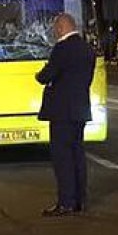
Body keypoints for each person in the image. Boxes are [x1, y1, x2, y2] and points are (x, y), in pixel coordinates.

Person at [35, 12, 95, 216]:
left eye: (55, 28)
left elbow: (46, 76)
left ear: (61, 28)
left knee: (62, 158)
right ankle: (80, 200)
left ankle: (66, 202)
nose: (54, 32)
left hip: (61, 113)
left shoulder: (62, 49)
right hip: (80, 110)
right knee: (78, 155)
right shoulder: (87, 49)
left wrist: (40, 74)